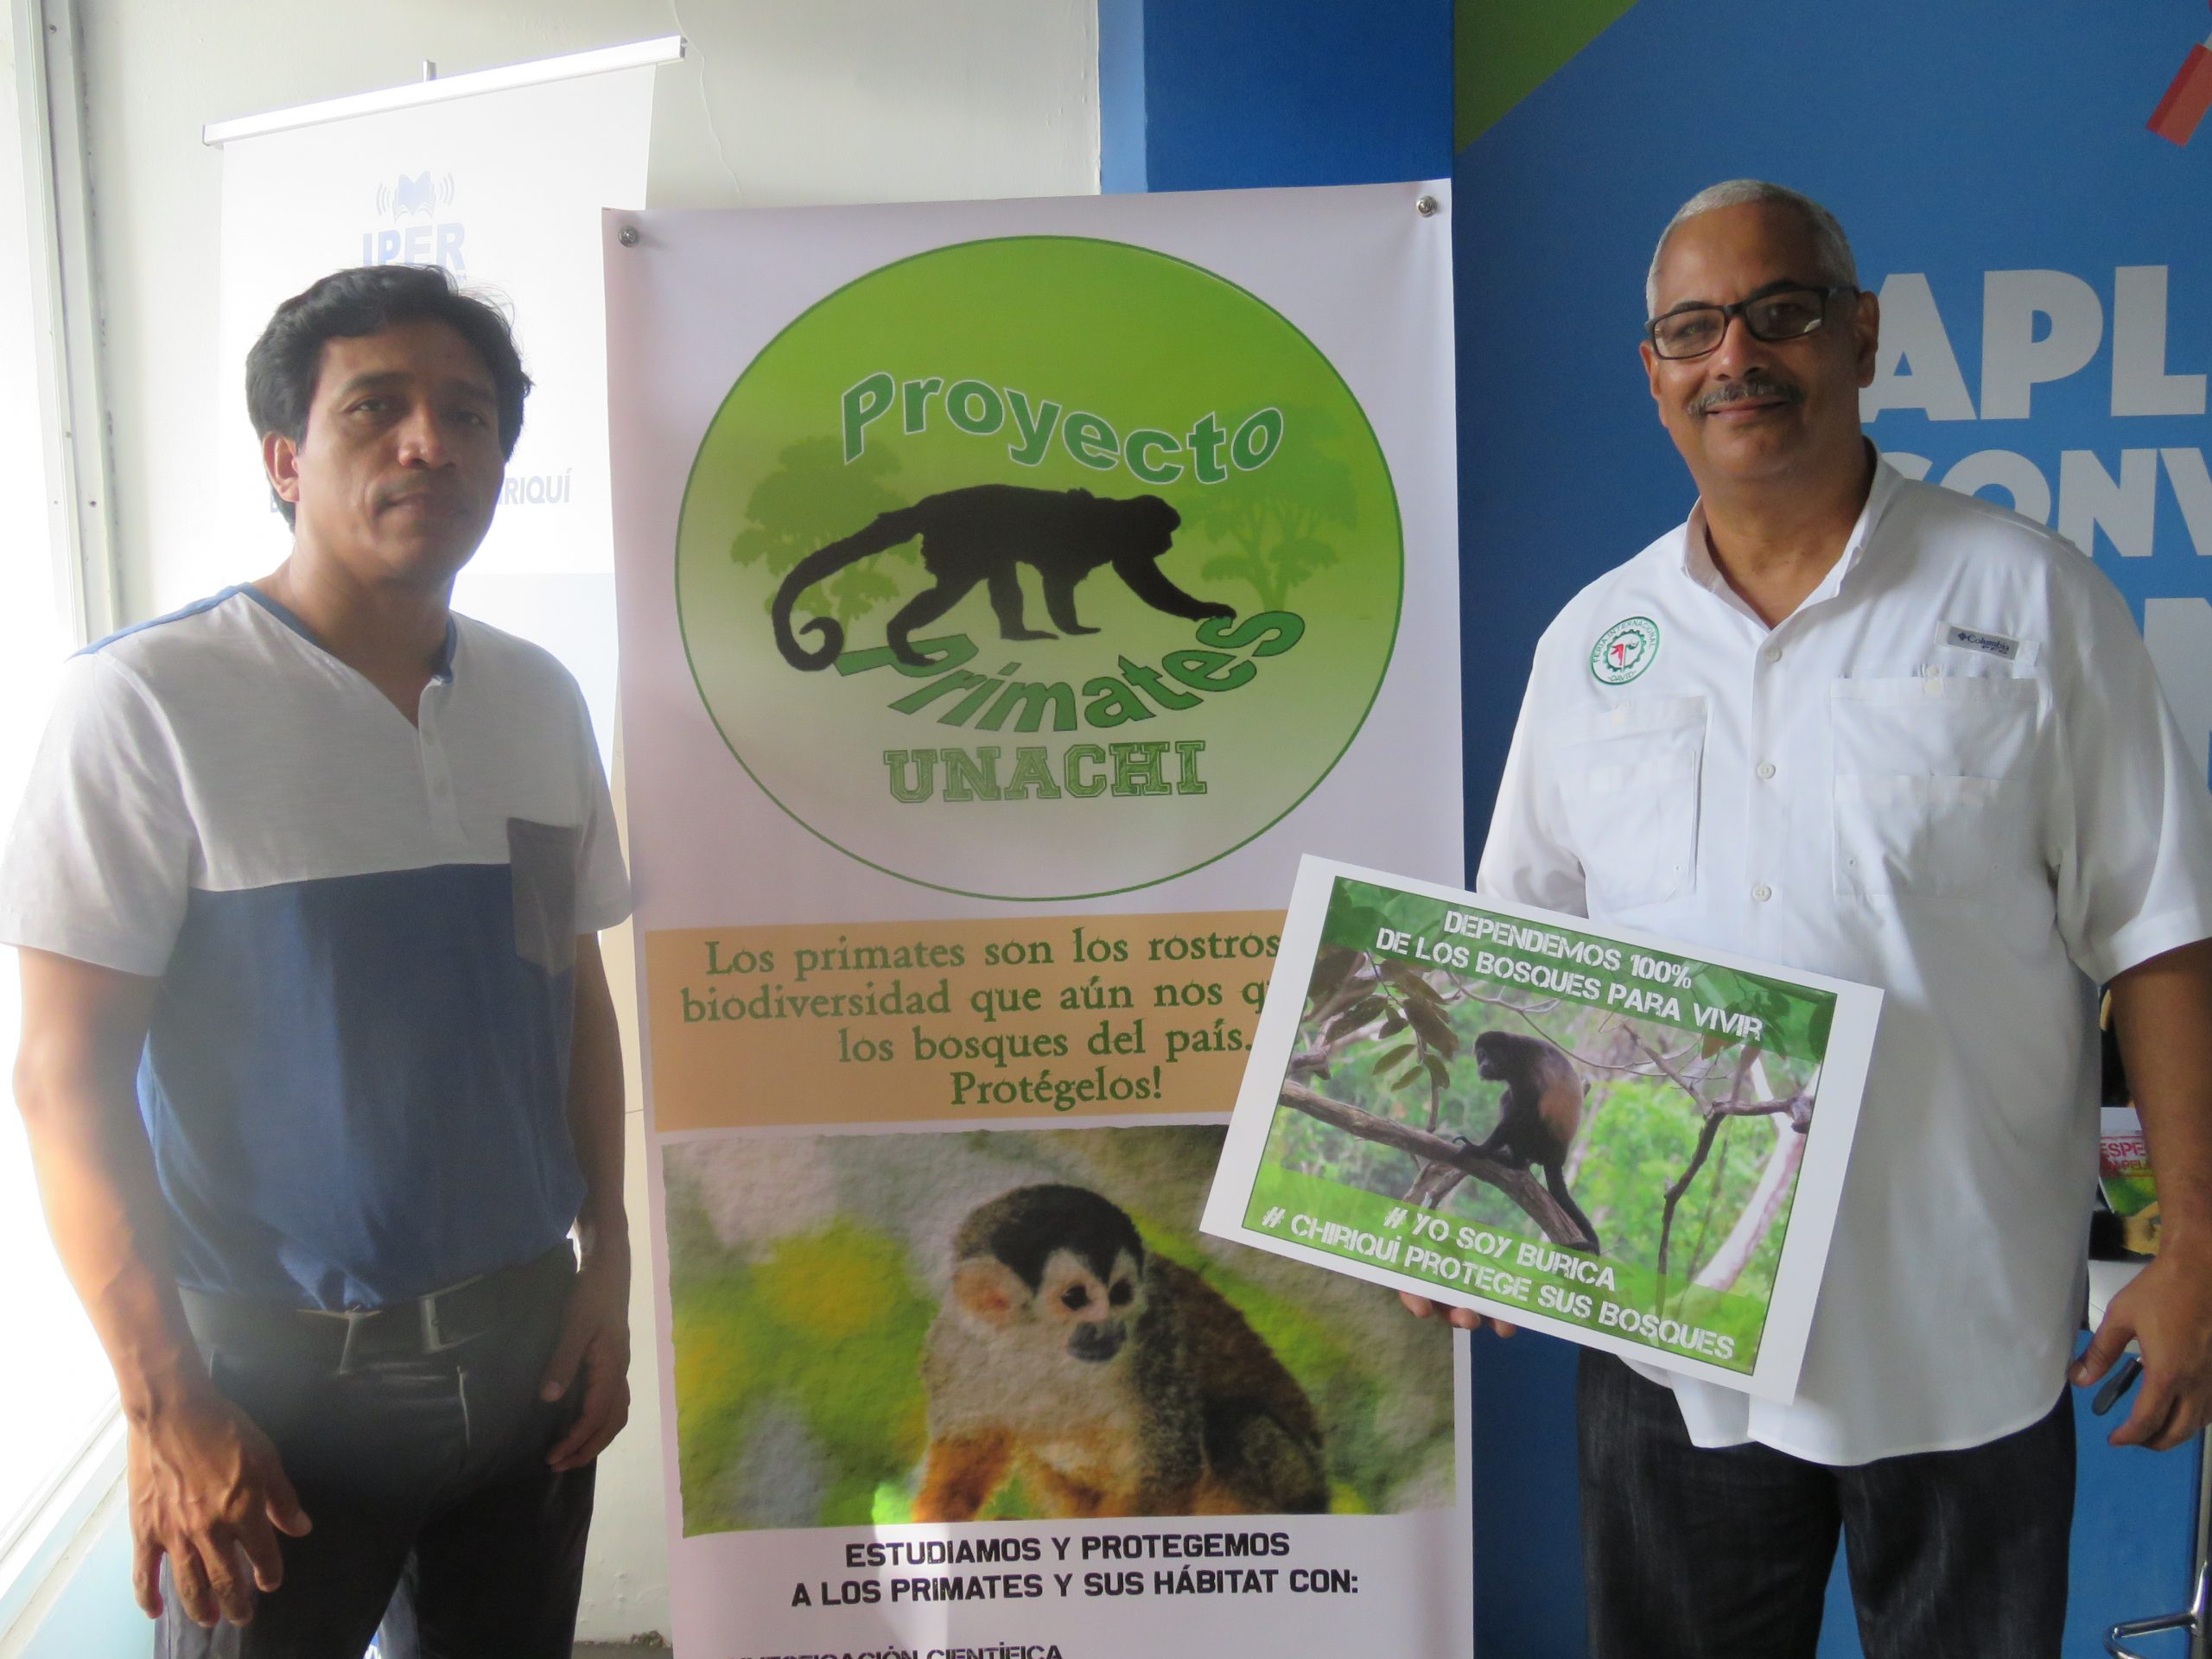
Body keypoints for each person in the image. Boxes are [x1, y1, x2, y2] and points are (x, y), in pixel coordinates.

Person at [1405, 180, 2212, 1657]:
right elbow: (1512, 965)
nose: (1737, 356)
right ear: (1654, 373)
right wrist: (1446, 1211)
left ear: (1862, 335)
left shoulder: (2034, 602)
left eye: (1780, 313)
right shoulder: (1592, 648)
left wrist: (2199, 1249)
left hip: (1958, 1328)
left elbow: (2162, 935)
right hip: (1670, 1341)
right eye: (1694, 329)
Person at [2, 264, 632, 1658]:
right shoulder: (147, 704)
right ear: (285, 460)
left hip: (528, 1359)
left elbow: (571, 996)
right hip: (271, 1392)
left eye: (469, 415)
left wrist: (609, 1263)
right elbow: (62, 1083)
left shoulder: (538, 698)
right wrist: (164, 1401)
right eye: (376, 409)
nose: (430, 443)